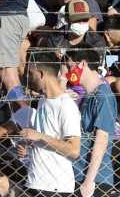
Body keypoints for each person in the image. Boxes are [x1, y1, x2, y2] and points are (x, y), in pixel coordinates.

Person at [22, 54, 82, 197]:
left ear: (41, 74)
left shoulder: (66, 105)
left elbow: (74, 150)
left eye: (30, 74)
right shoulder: (43, 100)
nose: (27, 78)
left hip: (55, 187)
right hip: (35, 182)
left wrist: (40, 136)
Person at [67, 45, 116, 197]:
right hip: (79, 175)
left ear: (82, 64)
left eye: (70, 67)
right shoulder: (89, 95)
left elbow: (102, 139)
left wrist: (89, 182)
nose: (68, 73)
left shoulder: (103, 95)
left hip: (95, 180)